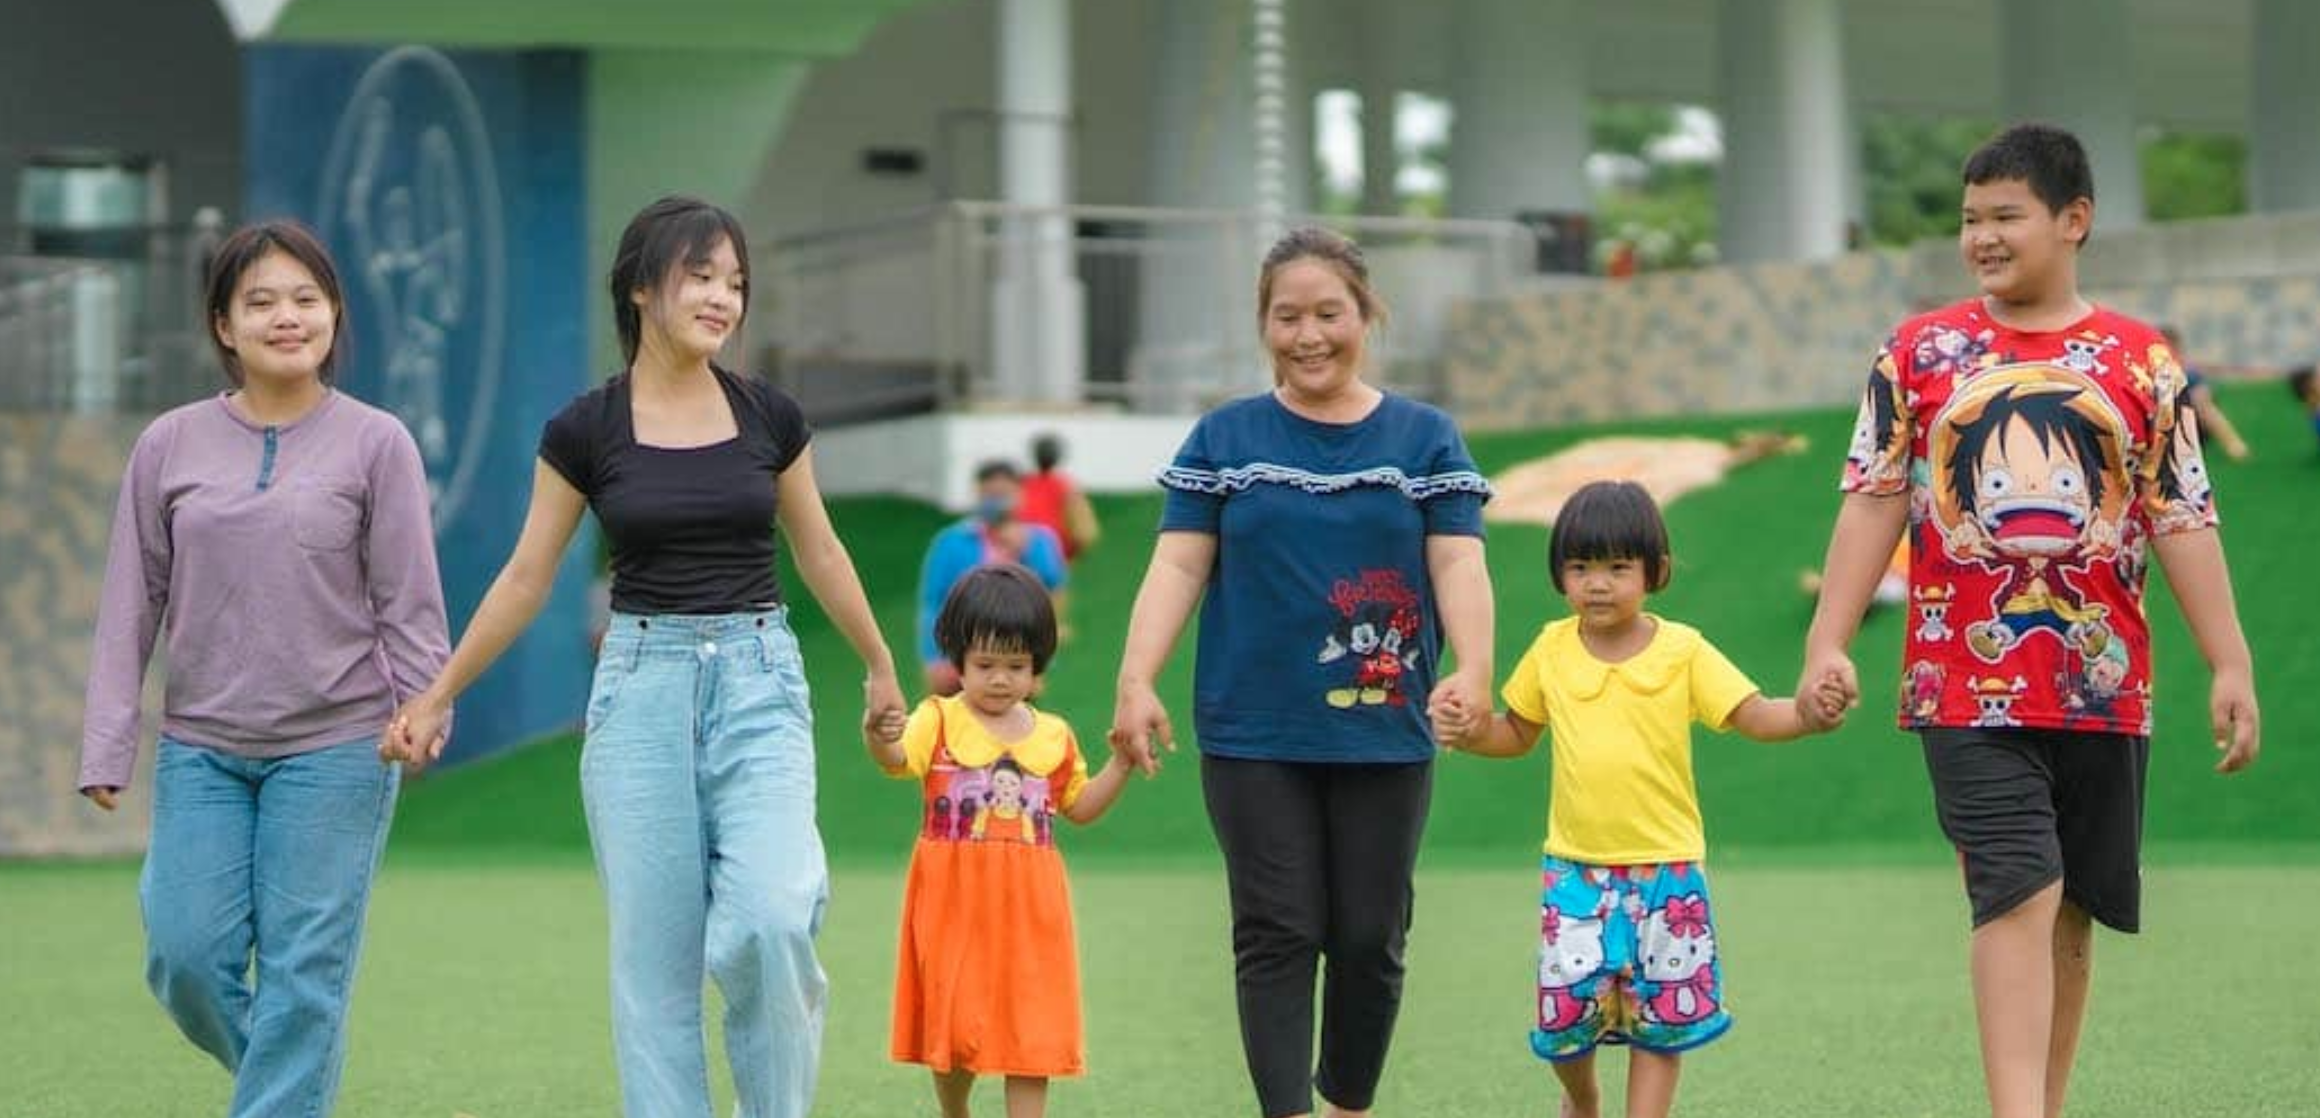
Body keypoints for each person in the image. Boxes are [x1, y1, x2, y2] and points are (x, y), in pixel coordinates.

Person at [382, 196, 906, 1118]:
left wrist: (879, 663)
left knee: (773, 919)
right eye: (699, 276)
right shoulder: (585, 430)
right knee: (655, 976)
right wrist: (438, 694)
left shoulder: (770, 415)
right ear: (639, 288)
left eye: (734, 282)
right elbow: (526, 577)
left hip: (759, 680)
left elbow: (820, 550)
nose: (722, 298)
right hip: (639, 694)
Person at [1800, 124, 2261, 1118]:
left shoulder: (2143, 362)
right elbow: (1872, 496)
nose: (1981, 237)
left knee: (2073, 909)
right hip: (1962, 680)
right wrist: (1827, 637)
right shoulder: (1918, 352)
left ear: (2073, 219)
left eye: (2005, 215)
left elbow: (2182, 515)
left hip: (2101, 682)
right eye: (1970, 219)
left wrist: (2229, 662)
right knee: (2016, 882)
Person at [1108, 226, 1496, 1118]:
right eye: (1287, 317)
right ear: (1264, 324)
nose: (1309, 335)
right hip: (1253, 729)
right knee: (1276, 930)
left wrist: (1474, 668)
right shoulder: (1225, 437)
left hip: (1385, 724)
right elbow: (1177, 564)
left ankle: (1348, 1103)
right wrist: (1135, 677)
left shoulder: (1425, 439)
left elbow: (1458, 562)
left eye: (1329, 313)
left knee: (1369, 935)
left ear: (1366, 315)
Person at [80, 220, 449, 1117]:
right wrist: (107, 742)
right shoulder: (168, 445)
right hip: (202, 748)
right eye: (261, 302)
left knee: (303, 974)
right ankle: (291, 1081)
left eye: (306, 299)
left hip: (338, 747)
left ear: (335, 313)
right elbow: (131, 602)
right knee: (185, 957)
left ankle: (285, 1090)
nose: (287, 317)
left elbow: (407, 599)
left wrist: (425, 705)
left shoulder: (377, 443)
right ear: (223, 324)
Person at [1430, 480, 1841, 1118]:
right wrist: (1469, 731)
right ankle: (1583, 1098)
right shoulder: (1550, 648)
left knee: (1660, 1022)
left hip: (1667, 874)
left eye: (1618, 567)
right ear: (1559, 575)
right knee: (1565, 1020)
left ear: (1656, 572)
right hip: (1575, 873)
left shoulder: (1684, 651)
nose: (1597, 583)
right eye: (1580, 567)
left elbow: (1757, 715)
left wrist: (1807, 715)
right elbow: (1515, 733)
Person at [865, 564, 1130, 1118]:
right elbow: (897, 760)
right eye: (985, 665)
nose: (1001, 679)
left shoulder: (1054, 736)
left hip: (1032, 910)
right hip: (953, 905)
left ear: (1037, 666)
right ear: (957, 659)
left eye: (1017, 666)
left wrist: (1122, 763)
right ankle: (955, 1110)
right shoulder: (937, 719)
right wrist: (877, 733)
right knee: (956, 1020)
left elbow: (1079, 806)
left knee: (1033, 1026)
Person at [916, 459, 1066, 694]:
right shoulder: (952, 542)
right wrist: (934, 659)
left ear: (1019, 494)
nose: (996, 501)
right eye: (989, 494)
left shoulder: (1038, 539)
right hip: (962, 656)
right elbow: (933, 603)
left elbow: (1052, 591)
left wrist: (1041, 660)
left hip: (1017, 656)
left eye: (1003, 494)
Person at [2158, 325, 2250, 460]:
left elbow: (2206, 405)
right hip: (2161, 431)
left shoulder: (2188, 373)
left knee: (2199, 399)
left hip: (2188, 428)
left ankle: (2235, 446)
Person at [1019, 432, 1101, 562]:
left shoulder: (1065, 487)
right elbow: (1084, 534)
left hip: (1044, 554)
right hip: (1033, 553)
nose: (1046, 455)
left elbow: (1083, 533)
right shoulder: (1065, 486)